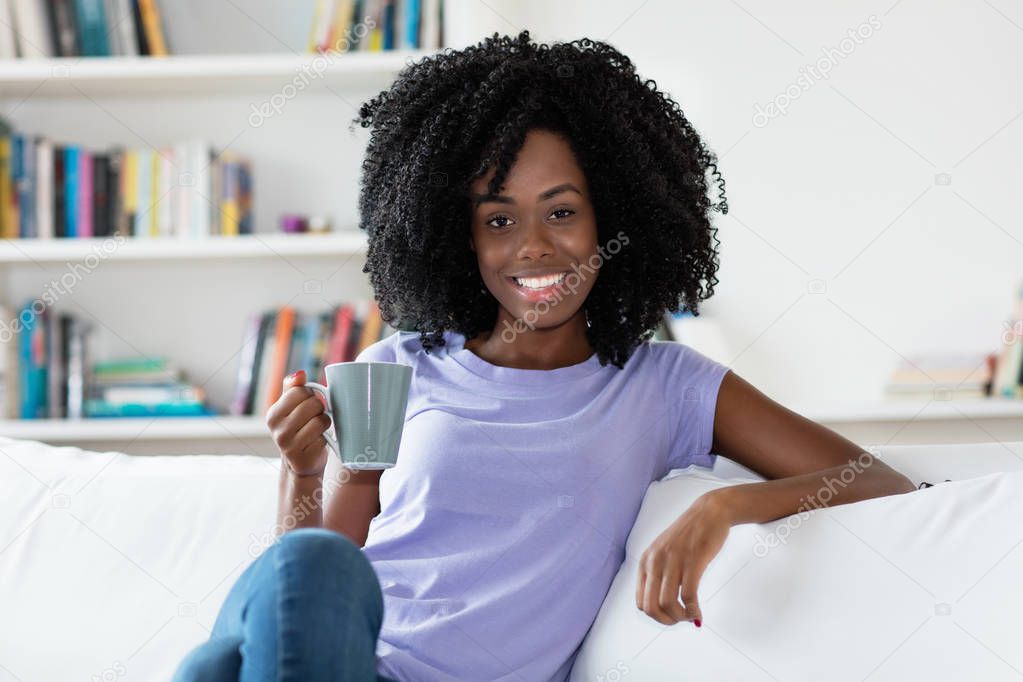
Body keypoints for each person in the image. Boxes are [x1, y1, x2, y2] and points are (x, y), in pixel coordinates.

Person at [173, 30, 916, 682]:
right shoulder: (398, 366)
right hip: (348, 661)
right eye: (499, 219)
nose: (532, 246)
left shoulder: (666, 385)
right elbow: (309, 582)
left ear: (611, 218)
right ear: (463, 237)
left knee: (211, 669)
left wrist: (725, 506)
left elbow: (879, 480)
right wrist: (303, 470)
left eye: (561, 212)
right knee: (265, 612)